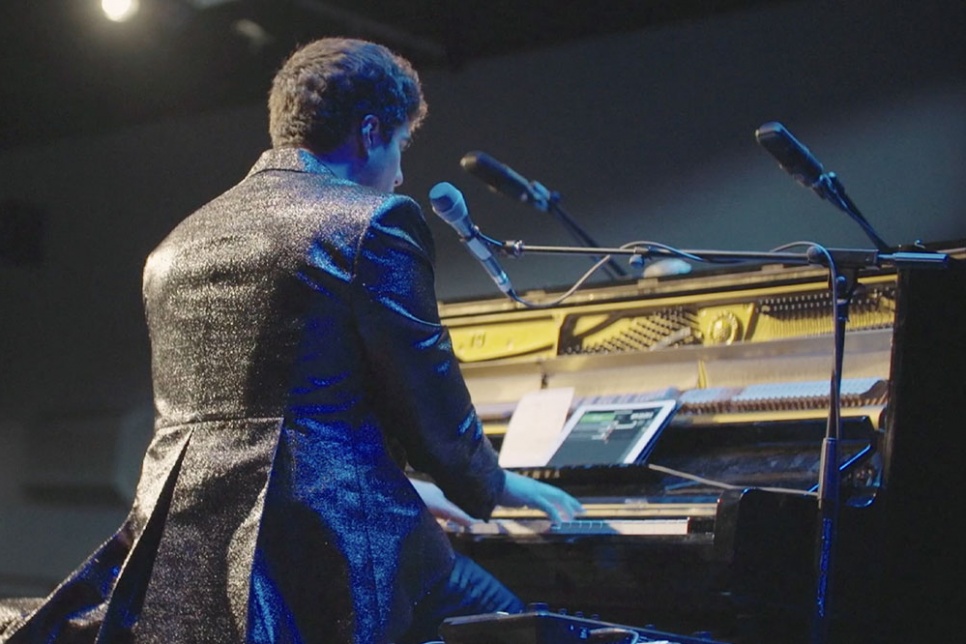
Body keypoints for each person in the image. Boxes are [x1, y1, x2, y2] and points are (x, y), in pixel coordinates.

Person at [0, 37, 581, 643]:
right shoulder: (373, 222)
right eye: (401, 146)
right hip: (328, 545)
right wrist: (498, 485)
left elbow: (276, 405)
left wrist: (406, 487)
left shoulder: (175, 245)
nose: (402, 172)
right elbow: (429, 402)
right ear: (370, 130)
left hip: (188, 557)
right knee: (517, 624)